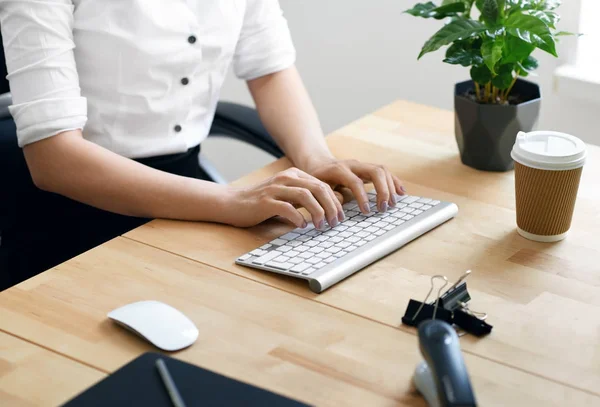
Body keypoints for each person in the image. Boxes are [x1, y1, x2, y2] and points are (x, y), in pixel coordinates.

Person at [0, 0, 404, 289]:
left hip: (191, 200)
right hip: (74, 218)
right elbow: (53, 158)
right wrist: (233, 202)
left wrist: (316, 158)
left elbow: (270, 69)